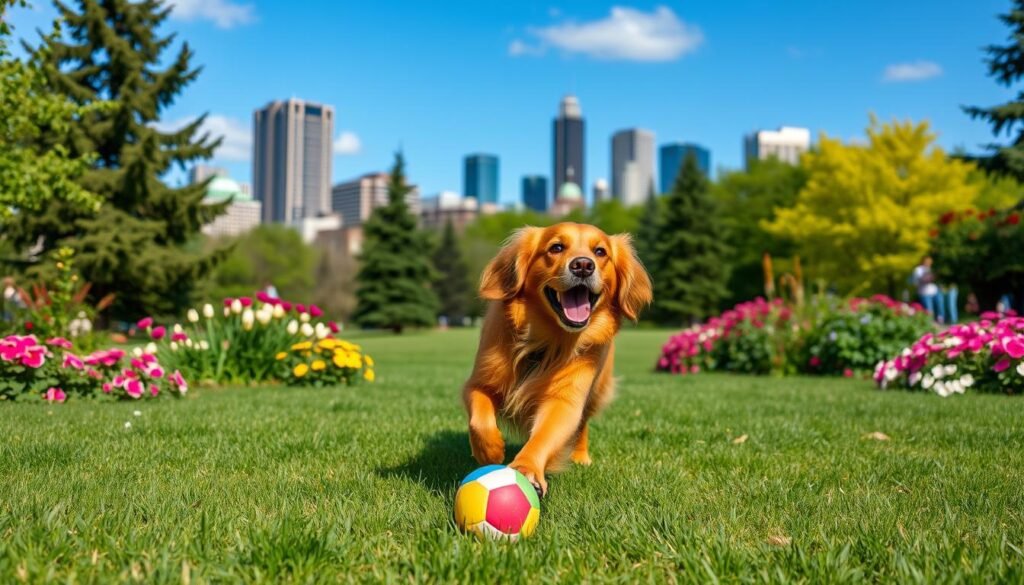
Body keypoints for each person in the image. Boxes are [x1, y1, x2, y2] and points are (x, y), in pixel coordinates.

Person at [912, 256, 944, 323]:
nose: (929, 263)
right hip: (924, 292)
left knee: (940, 304)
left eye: (930, 262)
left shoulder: (930, 268)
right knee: (929, 309)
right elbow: (921, 279)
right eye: (927, 261)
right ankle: (931, 323)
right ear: (923, 261)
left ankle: (940, 319)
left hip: (934, 290)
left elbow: (933, 278)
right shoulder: (918, 269)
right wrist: (928, 277)